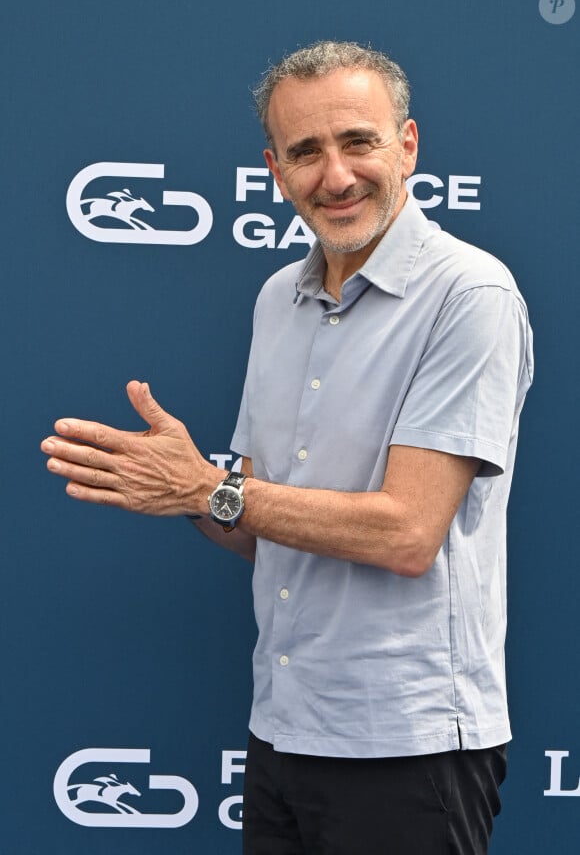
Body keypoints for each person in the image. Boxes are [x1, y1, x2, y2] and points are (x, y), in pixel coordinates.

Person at [41, 41, 533, 855]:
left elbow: (409, 533)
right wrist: (177, 486)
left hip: (406, 746)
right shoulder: (280, 297)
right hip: (281, 730)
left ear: (407, 145)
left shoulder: (469, 296)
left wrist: (209, 490)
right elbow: (253, 518)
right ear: (276, 170)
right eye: (306, 152)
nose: (334, 175)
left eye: (358, 142)